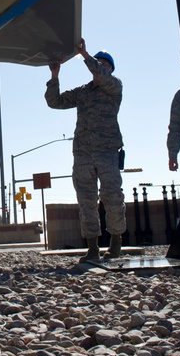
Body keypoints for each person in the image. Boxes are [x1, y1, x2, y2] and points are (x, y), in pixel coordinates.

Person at [45, 39, 125, 262]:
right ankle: (92, 247)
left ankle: (116, 242)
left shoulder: (114, 87)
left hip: (107, 151)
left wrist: (85, 55)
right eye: (98, 63)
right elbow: (55, 102)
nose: (100, 66)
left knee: (112, 196)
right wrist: (55, 75)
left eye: (104, 64)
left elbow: (100, 74)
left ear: (109, 69)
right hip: (83, 153)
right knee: (86, 200)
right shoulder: (83, 92)